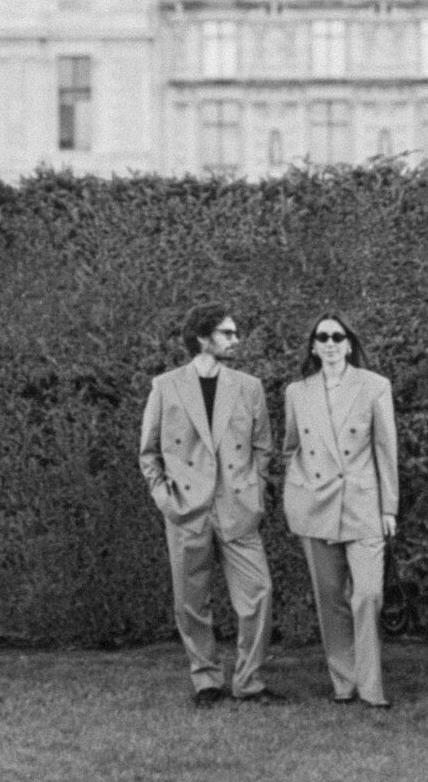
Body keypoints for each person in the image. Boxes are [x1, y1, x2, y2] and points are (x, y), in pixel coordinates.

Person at [139, 302, 283, 705]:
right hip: (186, 509)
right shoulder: (165, 386)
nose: (236, 340)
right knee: (190, 602)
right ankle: (207, 680)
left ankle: (249, 682)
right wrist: (166, 498)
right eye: (228, 333)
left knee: (259, 593)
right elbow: (148, 453)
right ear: (203, 338)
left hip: (238, 507)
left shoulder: (248, 386)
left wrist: (255, 494)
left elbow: (263, 448)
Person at [282, 313, 398, 708]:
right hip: (314, 504)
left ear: (349, 344)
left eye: (338, 336)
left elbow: (386, 450)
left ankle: (371, 687)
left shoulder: (375, 386)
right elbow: (291, 446)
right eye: (322, 337)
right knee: (329, 597)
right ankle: (344, 684)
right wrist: (296, 489)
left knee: (368, 594)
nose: (330, 343)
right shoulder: (297, 392)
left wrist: (389, 507)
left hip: (362, 503)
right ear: (313, 346)